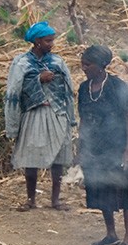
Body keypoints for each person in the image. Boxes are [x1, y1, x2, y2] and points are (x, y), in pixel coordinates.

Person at [4, 21, 76, 211]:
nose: (51, 44)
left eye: (52, 40)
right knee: (31, 156)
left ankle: (55, 200)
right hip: (34, 113)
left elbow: (68, 89)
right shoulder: (21, 63)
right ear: (36, 41)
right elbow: (13, 92)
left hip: (57, 112)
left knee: (58, 158)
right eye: (47, 41)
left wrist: (71, 116)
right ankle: (31, 200)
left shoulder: (58, 62)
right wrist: (38, 79)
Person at [78, 45, 128, 245]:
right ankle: (110, 234)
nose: (83, 67)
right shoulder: (84, 89)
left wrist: (127, 151)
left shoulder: (117, 87)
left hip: (117, 146)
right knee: (101, 189)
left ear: (102, 66)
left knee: (125, 191)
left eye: (88, 64)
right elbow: (83, 120)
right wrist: (82, 147)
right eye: (83, 63)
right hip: (95, 149)